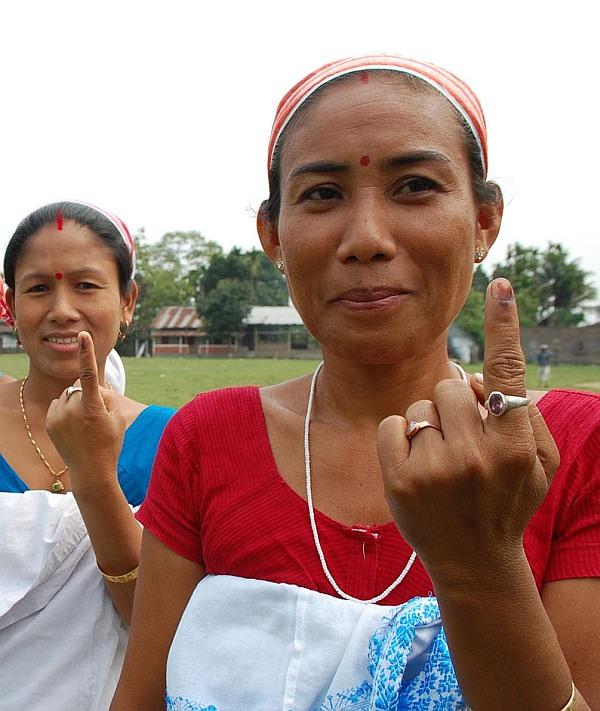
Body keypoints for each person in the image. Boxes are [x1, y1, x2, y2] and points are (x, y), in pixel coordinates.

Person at [112, 56, 600, 711]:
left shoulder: (575, 445)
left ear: (484, 221)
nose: (365, 239)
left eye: (416, 186)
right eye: (322, 194)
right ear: (272, 235)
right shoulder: (207, 436)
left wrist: (481, 562)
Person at [0, 201, 174, 710]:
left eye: (85, 285)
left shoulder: (175, 440)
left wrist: (95, 477)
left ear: (127, 301)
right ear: (10, 305)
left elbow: (156, 626)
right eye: (38, 288)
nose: (61, 309)